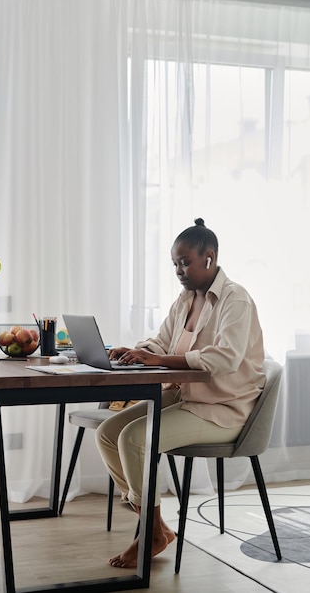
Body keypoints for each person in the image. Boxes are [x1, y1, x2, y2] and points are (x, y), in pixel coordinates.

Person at [95, 218, 265, 568]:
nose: (178, 270)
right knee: (108, 433)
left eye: (184, 262)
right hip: (185, 397)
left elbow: (225, 358)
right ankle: (155, 527)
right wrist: (136, 350)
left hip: (221, 408)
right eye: (175, 264)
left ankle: (151, 532)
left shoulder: (236, 300)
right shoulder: (186, 298)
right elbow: (162, 342)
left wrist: (157, 358)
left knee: (134, 439)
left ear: (209, 258)